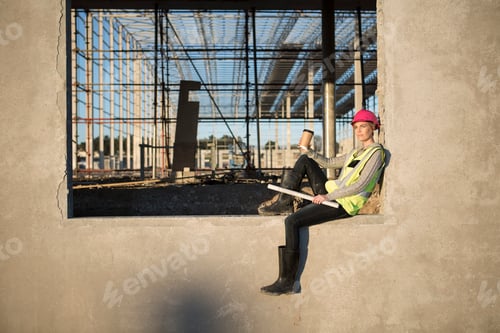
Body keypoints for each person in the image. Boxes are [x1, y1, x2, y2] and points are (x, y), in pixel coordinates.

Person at [259, 109, 386, 296]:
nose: (359, 131)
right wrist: (310, 152)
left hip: (344, 204)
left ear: (373, 128)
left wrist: (327, 197)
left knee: (292, 221)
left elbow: (361, 185)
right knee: (305, 160)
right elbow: (329, 163)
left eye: (363, 127)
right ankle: (285, 202)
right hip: (333, 194)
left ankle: (287, 281)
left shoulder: (376, 154)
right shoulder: (356, 152)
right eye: (356, 127)